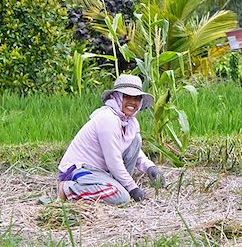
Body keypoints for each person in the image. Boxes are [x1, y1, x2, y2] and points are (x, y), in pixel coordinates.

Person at [57, 74, 165, 204]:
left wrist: (149, 167)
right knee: (121, 197)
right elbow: (113, 160)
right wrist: (132, 188)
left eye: (136, 98)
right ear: (117, 97)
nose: (132, 102)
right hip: (81, 170)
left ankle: (114, 183)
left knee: (136, 139)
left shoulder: (130, 122)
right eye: (127, 96)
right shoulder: (108, 119)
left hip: (103, 170)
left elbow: (131, 147)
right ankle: (68, 189)